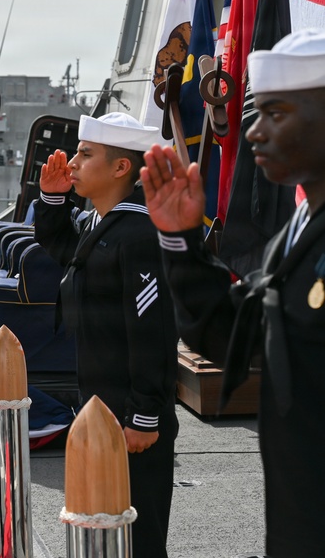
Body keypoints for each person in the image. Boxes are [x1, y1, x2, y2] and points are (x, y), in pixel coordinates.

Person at [140, 28, 325, 556]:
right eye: (255, 114)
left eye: (278, 113)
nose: (253, 133)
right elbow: (230, 336)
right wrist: (178, 238)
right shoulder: (295, 236)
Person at [34, 112, 177, 558]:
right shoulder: (103, 223)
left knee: (138, 535)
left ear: (121, 169)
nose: (72, 162)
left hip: (132, 412)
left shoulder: (139, 234)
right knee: (105, 528)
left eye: (85, 153)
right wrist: (52, 199)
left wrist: (145, 414)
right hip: (102, 403)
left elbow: (152, 329)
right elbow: (64, 252)